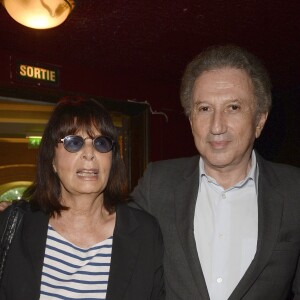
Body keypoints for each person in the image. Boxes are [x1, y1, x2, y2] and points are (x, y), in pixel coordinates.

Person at [131, 45, 300, 300]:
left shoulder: (294, 190)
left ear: (260, 121)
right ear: (190, 121)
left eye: (233, 107)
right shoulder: (158, 183)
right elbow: (110, 247)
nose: (217, 126)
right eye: (204, 109)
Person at [0, 97, 165, 300]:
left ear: (112, 159)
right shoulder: (14, 226)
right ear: (52, 159)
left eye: (101, 143)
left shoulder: (145, 234)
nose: (89, 153)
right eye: (74, 142)